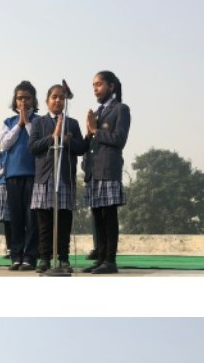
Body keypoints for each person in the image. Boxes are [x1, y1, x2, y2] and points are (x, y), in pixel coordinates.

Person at [28, 84, 88, 273]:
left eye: (61, 97)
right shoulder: (39, 123)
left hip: (64, 177)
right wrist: (52, 137)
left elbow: (81, 148)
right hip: (45, 178)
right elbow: (32, 147)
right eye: (54, 97)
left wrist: (69, 140)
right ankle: (44, 258)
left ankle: (63, 258)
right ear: (47, 101)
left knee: (63, 222)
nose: (58, 100)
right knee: (44, 223)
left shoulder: (72, 123)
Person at [83, 71, 130, 274]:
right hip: (94, 170)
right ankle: (100, 257)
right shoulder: (97, 112)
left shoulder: (121, 109)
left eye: (99, 84)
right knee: (96, 216)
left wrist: (95, 131)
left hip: (109, 169)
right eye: (93, 85)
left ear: (111, 86)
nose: (95, 88)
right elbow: (91, 142)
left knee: (109, 215)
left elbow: (119, 139)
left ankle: (110, 259)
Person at [0, 82, 39, 270]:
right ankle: (16, 255)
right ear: (15, 101)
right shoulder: (8, 122)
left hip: (33, 174)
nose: (23, 101)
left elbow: (36, 141)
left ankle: (30, 257)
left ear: (33, 100)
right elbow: (4, 145)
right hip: (12, 175)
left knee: (32, 218)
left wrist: (27, 122)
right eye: (19, 98)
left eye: (27, 98)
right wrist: (19, 124)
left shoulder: (40, 121)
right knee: (15, 218)